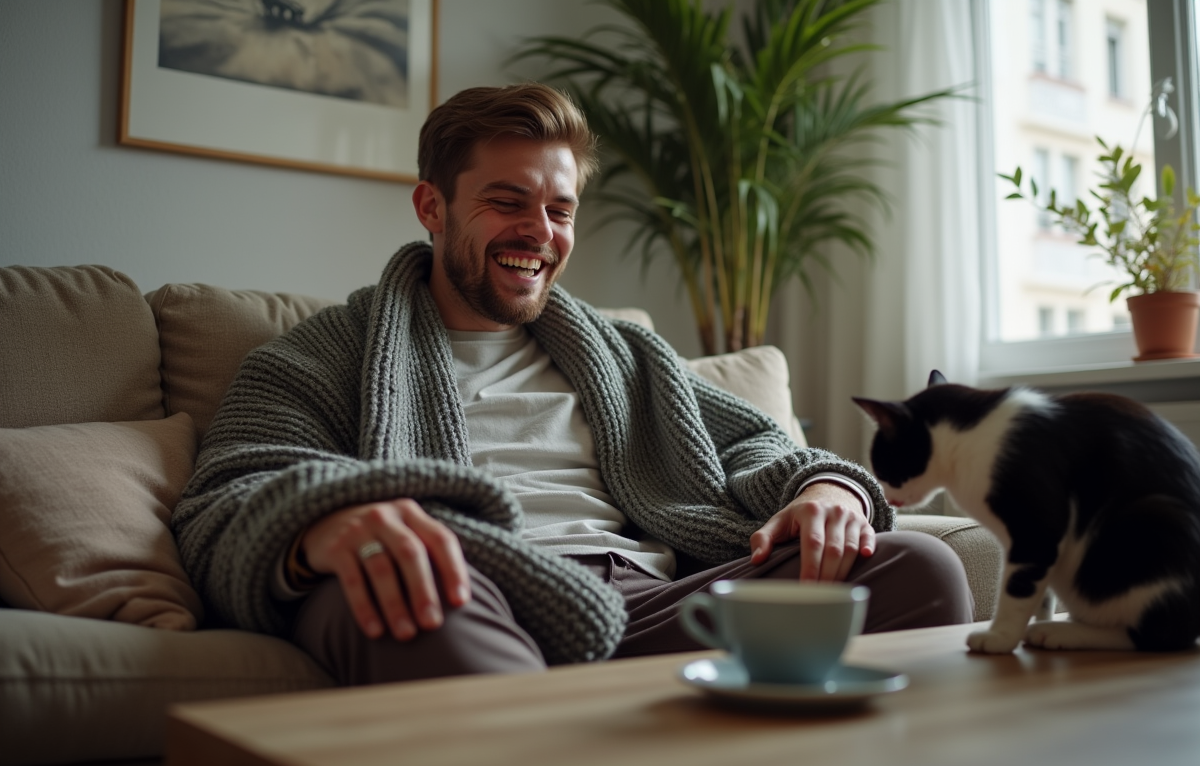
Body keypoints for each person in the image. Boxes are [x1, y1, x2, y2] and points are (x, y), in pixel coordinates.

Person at [172, 83, 973, 686]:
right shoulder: (317, 357)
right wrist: (323, 525)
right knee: (398, 595)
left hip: (660, 602)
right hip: (478, 587)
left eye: (560, 209)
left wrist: (829, 487)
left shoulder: (626, 352)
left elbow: (759, 441)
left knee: (918, 568)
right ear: (432, 207)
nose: (540, 232)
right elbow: (224, 501)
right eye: (506, 202)